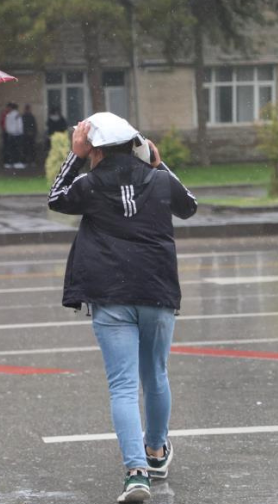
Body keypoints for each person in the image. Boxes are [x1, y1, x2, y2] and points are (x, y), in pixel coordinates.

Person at [47, 113, 197, 503]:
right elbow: (190, 206)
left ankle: (136, 474)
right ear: (136, 145)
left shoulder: (90, 184)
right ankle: (157, 451)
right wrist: (158, 162)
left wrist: (74, 156)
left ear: (93, 149)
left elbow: (55, 198)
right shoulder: (160, 180)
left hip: (111, 296)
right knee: (156, 375)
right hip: (158, 291)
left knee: (123, 386)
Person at [4, 103, 24, 169]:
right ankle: (17, 162)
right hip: (17, 134)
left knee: (10, 149)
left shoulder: (8, 115)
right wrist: (20, 132)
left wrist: (9, 131)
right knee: (17, 149)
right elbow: (19, 125)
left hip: (10, 134)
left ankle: (9, 163)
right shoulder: (17, 115)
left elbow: (6, 125)